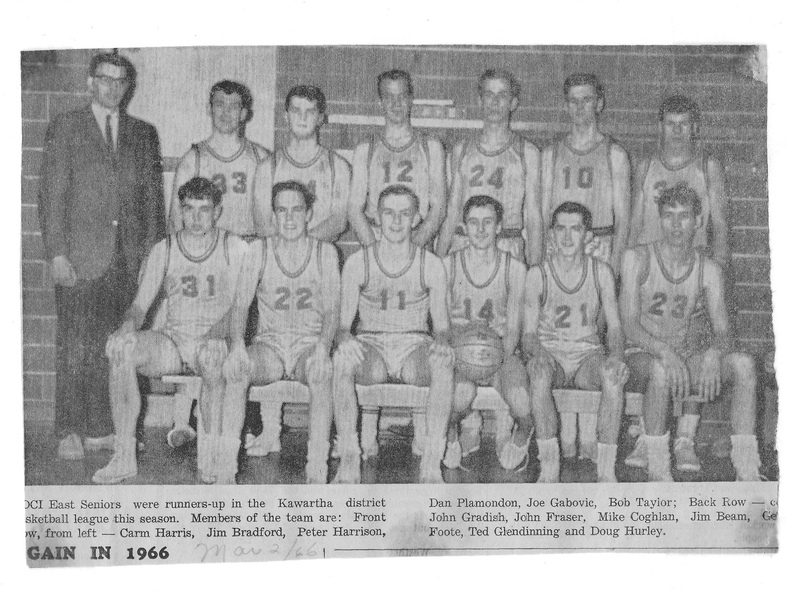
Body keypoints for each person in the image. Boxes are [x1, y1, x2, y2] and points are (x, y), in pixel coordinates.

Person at [38, 52, 165, 461]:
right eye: (105, 79)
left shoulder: (143, 134)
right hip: (80, 258)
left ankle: (104, 430)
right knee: (76, 345)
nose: (112, 87)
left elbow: (152, 203)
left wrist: (151, 261)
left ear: (129, 87)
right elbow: (51, 194)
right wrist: (57, 252)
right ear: (91, 82)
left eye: (120, 81)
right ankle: (69, 430)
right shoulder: (67, 127)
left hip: (127, 261)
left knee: (116, 347)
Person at [92, 178, 251, 484]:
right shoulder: (164, 249)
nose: (195, 218)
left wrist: (220, 334)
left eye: (204, 210)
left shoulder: (235, 248)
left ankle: (212, 456)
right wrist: (126, 327)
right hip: (174, 344)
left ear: (217, 211)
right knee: (122, 351)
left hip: (214, 341)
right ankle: (124, 455)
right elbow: (139, 307)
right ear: (180, 210)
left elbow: (242, 307)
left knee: (214, 359)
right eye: (189, 209)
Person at [620, 183, 761, 482]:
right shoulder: (637, 258)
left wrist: (713, 353)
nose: (675, 224)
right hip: (641, 355)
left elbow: (723, 330)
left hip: (682, 357)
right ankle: (659, 469)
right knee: (660, 370)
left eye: (684, 216)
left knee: (744, 364)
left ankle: (747, 471)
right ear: (659, 219)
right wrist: (664, 351)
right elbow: (629, 324)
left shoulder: (708, 269)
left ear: (698, 221)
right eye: (669, 215)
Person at [626, 95, 730, 471]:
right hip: (652, 269)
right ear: (660, 126)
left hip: (694, 271)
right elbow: (636, 223)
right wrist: (631, 274)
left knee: (691, 347)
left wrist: (715, 273)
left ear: (695, 128)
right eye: (670, 123)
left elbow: (719, 224)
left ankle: (685, 438)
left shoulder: (707, 166)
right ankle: (644, 433)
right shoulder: (646, 166)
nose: (677, 131)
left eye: (684, 123)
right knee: (651, 349)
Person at [166, 80, 270, 449]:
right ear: (210, 109)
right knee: (193, 329)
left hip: (241, 259)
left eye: (234, 106)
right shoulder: (194, 156)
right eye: (219, 105)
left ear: (246, 113)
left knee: (240, 338)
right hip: (200, 258)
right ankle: (183, 420)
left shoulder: (260, 158)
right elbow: (175, 219)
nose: (226, 112)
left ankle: (245, 423)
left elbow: (267, 218)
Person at [333, 184, 454, 483]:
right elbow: (342, 326)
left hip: (413, 344)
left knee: (443, 362)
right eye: (389, 213)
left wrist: (442, 343)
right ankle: (349, 456)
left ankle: (431, 461)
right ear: (376, 217)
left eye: (404, 214)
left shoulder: (432, 265)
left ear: (416, 219)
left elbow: (441, 327)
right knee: (342, 361)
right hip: (372, 343)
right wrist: (344, 339)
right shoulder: (357, 262)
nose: (397, 222)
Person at [541, 73, 631, 457]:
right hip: (562, 246)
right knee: (565, 334)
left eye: (587, 99)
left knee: (592, 337)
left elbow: (625, 218)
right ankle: (566, 434)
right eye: (573, 100)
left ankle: (592, 436)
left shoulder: (614, 153)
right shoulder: (551, 153)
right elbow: (545, 211)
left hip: (602, 247)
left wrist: (616, 266)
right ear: (566, 105)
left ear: (600, 103)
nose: (580, 107)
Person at [233, 181, 340, 484]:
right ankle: (226, 463)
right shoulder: (258, 250)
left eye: (297, 210)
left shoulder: (326, 252)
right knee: (237, 368)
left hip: (308, 344)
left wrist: (322, 348)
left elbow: (333, 310)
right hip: (272, 346)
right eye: (282, 210)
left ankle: (316, 461)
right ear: (273, 215)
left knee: (322, 372)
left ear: (309, 214)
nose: (289, 218)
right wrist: (238, 345)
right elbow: (240, 305)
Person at [522, 201, 628, 482]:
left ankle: (606, 472)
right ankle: (549, 468)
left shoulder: (601, 271)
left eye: (576, 229)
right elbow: (529, 334)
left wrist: (616, 356)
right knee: (540, 375)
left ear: (588, 235)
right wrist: (538, 354)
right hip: (552, 353)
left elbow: (615, 328)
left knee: (613, 376)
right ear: (551, 235)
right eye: (561, 229)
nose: (568, 237)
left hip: (586, 356)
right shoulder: (537, 274)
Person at [442, 196, 529, 470]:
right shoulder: (447, 265)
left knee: (524, 402)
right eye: (473, 222)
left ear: (499, 226)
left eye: (487, 222)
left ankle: (521, 435)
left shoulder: (515, 268)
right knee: (458, 396)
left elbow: (514, 328)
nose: (480, 230)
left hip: (501, 351)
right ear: (463, 226)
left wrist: (494, 358)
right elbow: (441, 325)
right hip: (461, 354)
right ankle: (453, 432)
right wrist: (466, 356)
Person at [438, 69, 542, 265]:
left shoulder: (527, 152)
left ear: (513, 103)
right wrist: (438, 261)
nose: (495, 102)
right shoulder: (462, 150)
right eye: (489, 95)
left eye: (502, 95)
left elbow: (533, 217)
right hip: (465, 245)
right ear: (480, 100)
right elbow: (452, 211)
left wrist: (536, 270)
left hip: (507, 246)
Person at [347, 70, 446, 249]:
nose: (396, 103)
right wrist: (375, 251)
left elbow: (439, 208)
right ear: (381, 102)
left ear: (410, 99)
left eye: (402, 96)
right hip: (377, 240)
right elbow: (354, 209)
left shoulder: (431, 146)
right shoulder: (365, 148)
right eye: (389, 97)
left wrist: (413, 249)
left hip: (418, 242)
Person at [255, 85, 351, 242]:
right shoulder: (267, 167)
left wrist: (302, 247)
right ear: (286, 116)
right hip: (277, 257)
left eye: (310, 111)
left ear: (321, 118)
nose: (302, 117)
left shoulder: (338, 166)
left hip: (320, 256)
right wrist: (289, 248)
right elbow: (262, 225)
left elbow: (338, 222)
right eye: (296, 111)